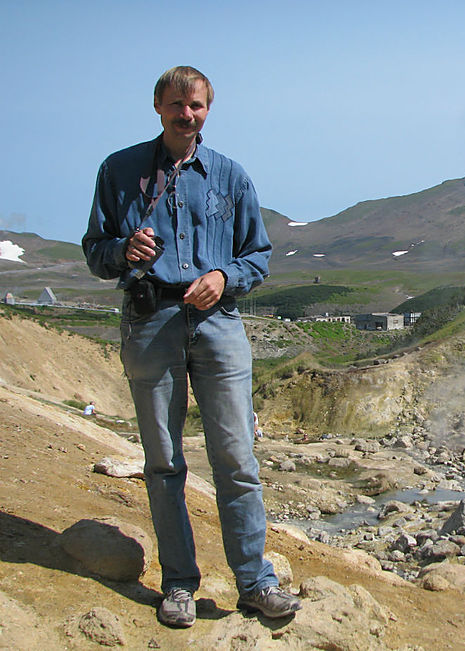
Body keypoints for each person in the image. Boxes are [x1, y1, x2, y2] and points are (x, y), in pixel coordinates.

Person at [83, 66, 300, 628]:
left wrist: (225, 277)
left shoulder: (230, 175)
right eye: (177, 104)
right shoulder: (119, 169)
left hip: (218, 323)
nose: (187, 115)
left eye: (197, 105)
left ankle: (255, 582)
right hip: (149, 319)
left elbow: (258, 253)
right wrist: (122, 251)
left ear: (208, 110)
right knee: (164, 462)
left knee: (237, 458)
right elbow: (95, 249)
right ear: (158, 106)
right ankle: (179, 584)